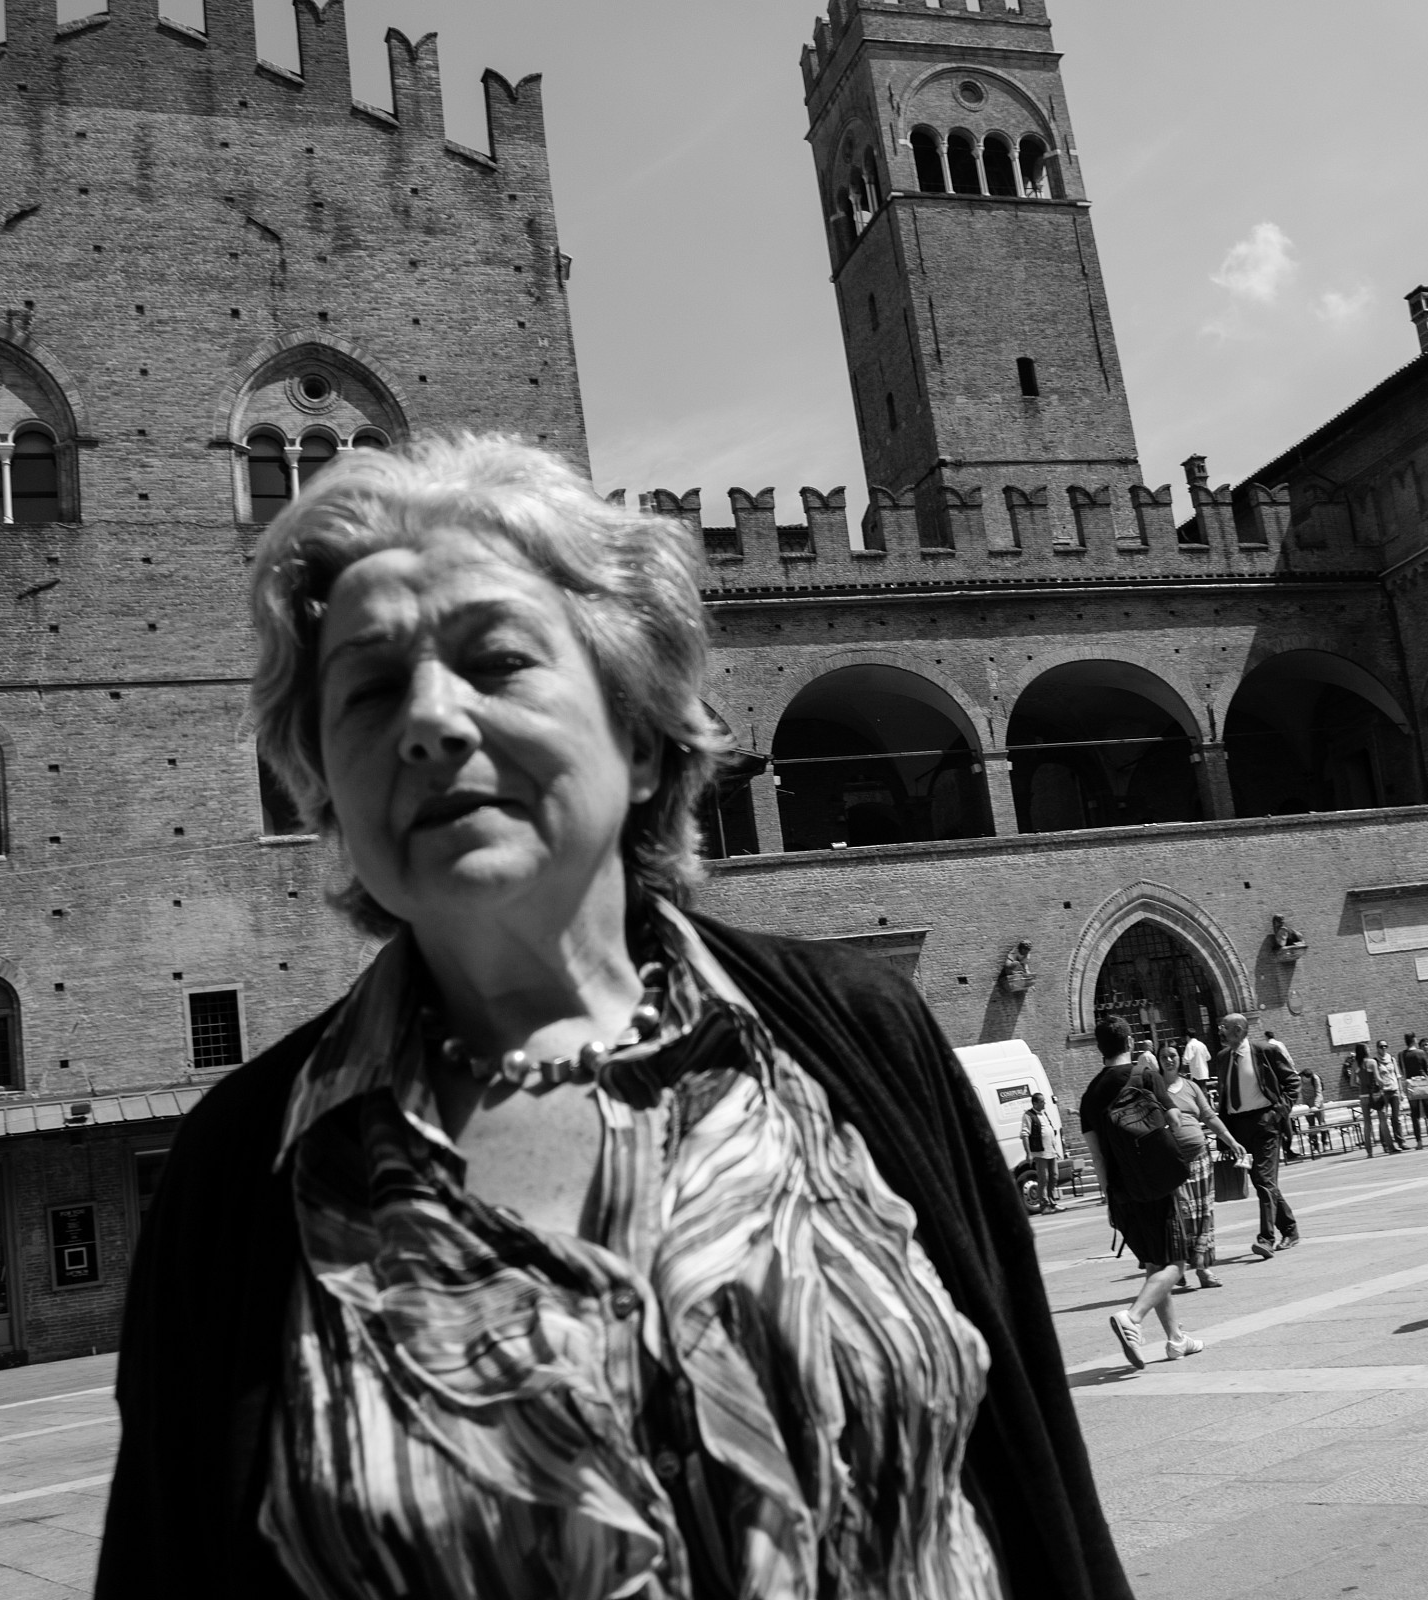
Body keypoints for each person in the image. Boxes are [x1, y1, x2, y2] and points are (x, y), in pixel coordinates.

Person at [98, 437, 1127, 1596]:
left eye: (496, 660)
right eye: (370, 689)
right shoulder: (241, 1173)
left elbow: (1040, 1487)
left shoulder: (857, 1038)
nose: (428, 720)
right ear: (324, 785)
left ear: (637, 736)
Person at [1082, 1016, 1197, 1367]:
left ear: (1099, 1048)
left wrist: (1107, 1197)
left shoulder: (1089, 1096)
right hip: (1156, 1182)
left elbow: (1097, 1156)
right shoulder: (1146, 1075)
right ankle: (1132, 1318)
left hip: (1122, 1190)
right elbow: (1174, 1120)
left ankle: (1176, 1339)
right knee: (1176, 1262)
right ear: (1130, 1042)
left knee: (1154, 1263)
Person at [1214, 1013, 1301, 1257]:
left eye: (1224, 1027)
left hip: (1265, 1123)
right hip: (1238, 1127)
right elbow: (1225, 1095)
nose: (1220, 1031)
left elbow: (1292, 1082)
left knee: (1263, 1180)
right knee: (1262, 1181)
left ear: (1238, 1030)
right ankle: (1290, 1229)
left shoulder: (1265, 1051)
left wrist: (1278, 1112)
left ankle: (1266, 1239)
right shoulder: (1222, 1057)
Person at [1160, 1047, 1244, 1293]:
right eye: (1164, 1056)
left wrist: (1232, 1141)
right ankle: (1176, 1268)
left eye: (1173, 1056)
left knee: (1204, 1214)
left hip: (1200, 1158)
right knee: (1181, 1215)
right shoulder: (1155, 1090)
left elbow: (1208, 1116)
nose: (1169, 1060)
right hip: (1172, 1162)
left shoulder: (1192, 1087)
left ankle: (1202, 1268)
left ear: (1180, 1060)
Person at [1023, 1091, 1066, 1214]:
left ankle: (1053, 1202)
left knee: (1054, 1176)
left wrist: (1055, 1149)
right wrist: (1028, 1153)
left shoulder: (1044, 1113)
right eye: (1042, 1102)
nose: (1044, 1103)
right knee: (1044, 1178)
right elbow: (1025, 1135)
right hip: (1040, 1153)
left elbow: (1050, 1131)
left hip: (1051, 1151)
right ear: (1035, 1103)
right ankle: (1044, 1205)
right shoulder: (1028, 1115)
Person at [1358, 1044, 1406, 1152]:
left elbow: (1354, 1082)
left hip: (1363, 1095)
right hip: (1376, 1094)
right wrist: (1383, 1083)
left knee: (1367, 1124)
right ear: (1365, 1050)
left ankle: (1369, 1152)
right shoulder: (1372, 1062)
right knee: (1383, 1120)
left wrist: (1362, 1085)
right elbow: (1378, 1079)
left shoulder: (1355, 1064)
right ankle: (1390, 1146)